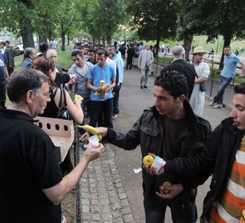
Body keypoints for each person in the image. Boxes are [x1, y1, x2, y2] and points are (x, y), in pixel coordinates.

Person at [153, 79, 245, 223]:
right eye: (233, 106)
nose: (232, 114)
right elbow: (202, 164)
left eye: (240, 108)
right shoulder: (227, 131)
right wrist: (169, 168)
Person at [0, 68, 104, 223]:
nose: (49, 99)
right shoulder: (34, 138)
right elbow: (57, 193)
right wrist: (86, 159)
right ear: (30, 96)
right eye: (46, 94)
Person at [82, 70, 211, 223]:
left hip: (182, 194)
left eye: (163, 98)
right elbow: (129, 141)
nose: (156, 103)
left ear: (181, 98)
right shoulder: (148, 117)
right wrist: (107, 132)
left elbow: (205, 166)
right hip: (152, 189)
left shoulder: (200, 128)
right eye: (155, 96)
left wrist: (183, 186)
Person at [87, 49, 116, 128]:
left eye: (101, 59)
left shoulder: (111, 68)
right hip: (95, 99)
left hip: (108, 97)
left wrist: (109, 87)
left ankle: (108, 137)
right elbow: (88, 84)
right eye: (97, 59)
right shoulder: (92, 69)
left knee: (108, 120)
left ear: (106, 58)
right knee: (93, 120)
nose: (99, 61)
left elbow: (114, 83)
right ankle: (92, 137)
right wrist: (96, 89)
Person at [68, 51, 93, 119]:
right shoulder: (71, 70)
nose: (76, 62)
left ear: (82, 57)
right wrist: (70, 84)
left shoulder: (90, 66)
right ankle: (81, 129)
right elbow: (69, 87)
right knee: (80, 117)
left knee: (93, 115)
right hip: (80, 96)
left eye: (77, 59)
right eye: (74, 60)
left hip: (91, 95)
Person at [189, 46, 210, 116]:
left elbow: (204, 77)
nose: (201, 57)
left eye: (202, 55)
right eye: (199, 55)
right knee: (188, 109)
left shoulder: (205, 66)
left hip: (199, 91)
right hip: (190, 91)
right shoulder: (188, 65)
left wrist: (192, 82)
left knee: (198, 111)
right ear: (194, 55)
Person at [107, 45, 124, 119]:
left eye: (110, 50)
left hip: (118, 82)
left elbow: (118, 73)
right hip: (115, 82)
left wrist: (116, 84)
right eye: (108, 50)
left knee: (115, 97)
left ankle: (115, 111)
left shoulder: (118, 60)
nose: (108, 51)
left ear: (114, 50)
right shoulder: (114, 59)